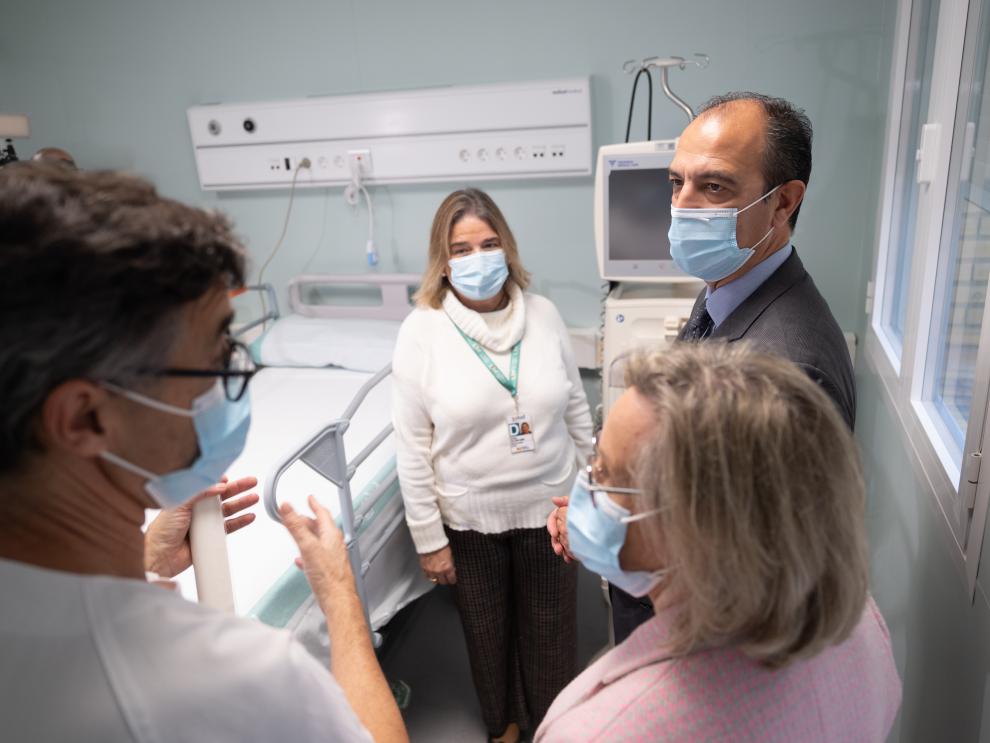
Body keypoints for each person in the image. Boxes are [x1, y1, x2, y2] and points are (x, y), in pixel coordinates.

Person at [0, 163, 407, 743]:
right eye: (215, 349)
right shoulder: (239, 677)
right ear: (86, 419)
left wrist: (150, 561)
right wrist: (342, 600)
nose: (231, 373)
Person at [552, 91, 859, 644]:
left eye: (714, 186)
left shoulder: (788, 371)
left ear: (784, 201)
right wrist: (611, 504)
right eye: (677, 182)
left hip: (703, 653)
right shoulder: (725, 290)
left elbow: (761, 577)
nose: (684, 204)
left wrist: (619, 538)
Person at [536, 343, 901, 741]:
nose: (588, 483)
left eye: (603, 473)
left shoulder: (606, 730)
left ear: (687, 527)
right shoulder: (861, 624)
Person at [392, 188, 593, 742]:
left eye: (488, 243)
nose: (477, 258)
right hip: (469, 520)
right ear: (443, 260)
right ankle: (502, 729)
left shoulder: (545, 316)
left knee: (551, 640)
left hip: (552, 509)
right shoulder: (421, 332)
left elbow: (576, 407)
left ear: (507, 247)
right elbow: (410, 446)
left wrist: (593, 491)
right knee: (487, 639)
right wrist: (429, 539)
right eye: (461, 248)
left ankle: (555, 729)